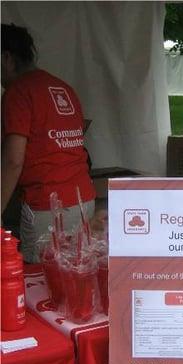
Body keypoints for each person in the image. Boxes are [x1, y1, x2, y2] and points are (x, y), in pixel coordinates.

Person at [1, 23, 96, 263]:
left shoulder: (18, 92)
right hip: (83, 198)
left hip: (47, 206)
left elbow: (13, 160)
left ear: (6, 58)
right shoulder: (63, 88)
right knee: (75, 273)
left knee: (42, 282)